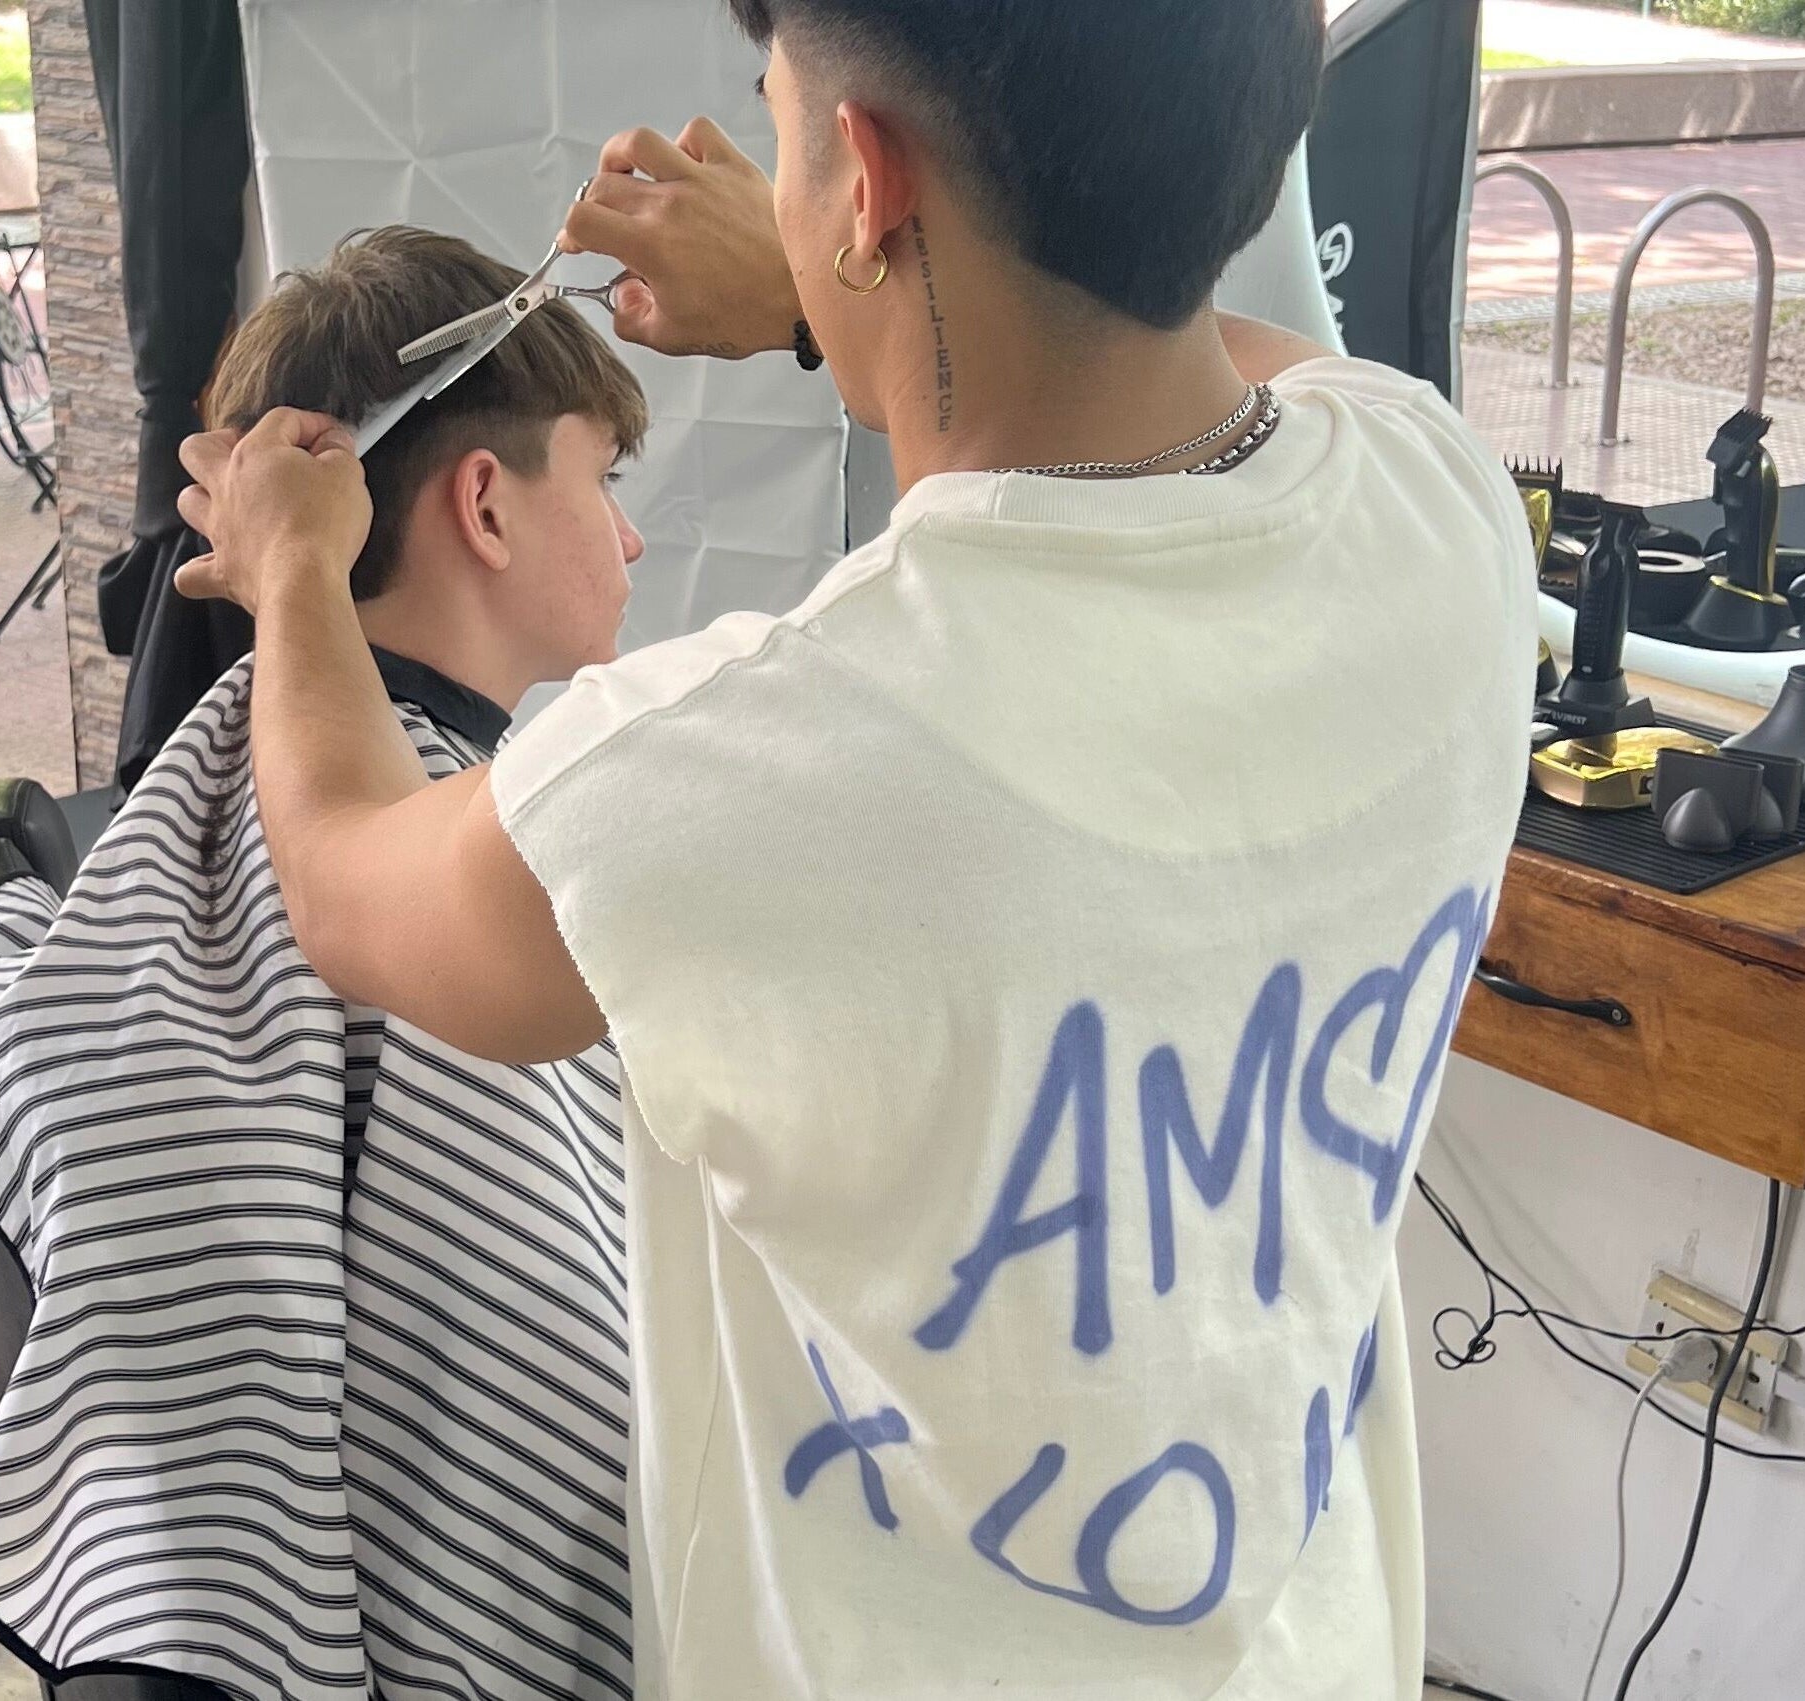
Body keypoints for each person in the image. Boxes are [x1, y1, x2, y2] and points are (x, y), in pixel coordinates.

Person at [175, 2, 1535, 1697]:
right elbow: (1230, 363)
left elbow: (352, 882)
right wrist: (854, 292)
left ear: (866, 181)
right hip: (1309, 1647)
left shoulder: (754, 770)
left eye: (782, 116)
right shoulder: (1442, 507)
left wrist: (294, 564)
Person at [0, 227, 649, 1700]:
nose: (630, 538)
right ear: (487, 504)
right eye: (606, 479)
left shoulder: (237, 788)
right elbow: (574, 1435)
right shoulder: (486, 876)